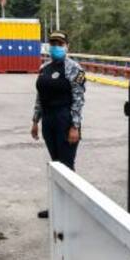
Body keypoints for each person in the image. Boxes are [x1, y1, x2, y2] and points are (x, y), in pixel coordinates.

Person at [31, 31, 86, 218]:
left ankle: (71, 207)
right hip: (48, 120)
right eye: (53, 43)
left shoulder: (74, 69)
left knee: (67, 165)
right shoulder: (44, 68)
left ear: (66, 46)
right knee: (56, 165)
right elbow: (40, 96)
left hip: (65, 120)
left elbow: (79, 99)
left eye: (59, 43)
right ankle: (57, 206)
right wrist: (35, 120)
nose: (56, 46)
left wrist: (75, 126)